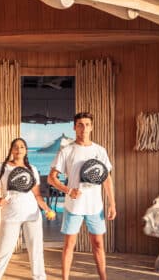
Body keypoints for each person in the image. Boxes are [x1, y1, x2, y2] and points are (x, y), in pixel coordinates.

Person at [48, 112, 116, 280]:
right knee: (69, 245)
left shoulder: (100, 151)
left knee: (99, 244)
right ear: (74, 127)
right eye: (80, 124)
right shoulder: (67, 151)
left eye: (87, 124)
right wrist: (69, 190)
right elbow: (51, 178)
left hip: (95, 207)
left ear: (91, 127)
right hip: (74, 207)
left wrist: (112, 204)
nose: (84, 128)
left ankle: (103, 278)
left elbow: (107, 179)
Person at [0, 137, 55, 280]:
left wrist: (47, 209)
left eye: (22, 147)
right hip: (11, 215)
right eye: (16, 147)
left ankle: (39, 278)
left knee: (36, 250)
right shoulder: (2, 167)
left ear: (26, 150)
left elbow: (37, 195)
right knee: (3, 251)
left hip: (32, 215)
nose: (19, 149)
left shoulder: (32, 169)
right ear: (11, 150)